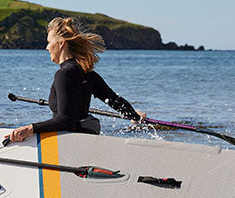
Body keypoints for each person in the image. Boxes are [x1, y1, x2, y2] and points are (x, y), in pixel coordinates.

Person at [9, 17, 144, 143]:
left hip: (67, 144)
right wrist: (134, 116)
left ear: (61, 43)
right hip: (84, 140)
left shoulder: (63, 74)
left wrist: (30, 128)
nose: (47, 47)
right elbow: (115, 101)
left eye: (49, 42)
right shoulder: (88, 73)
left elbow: (65, 120)